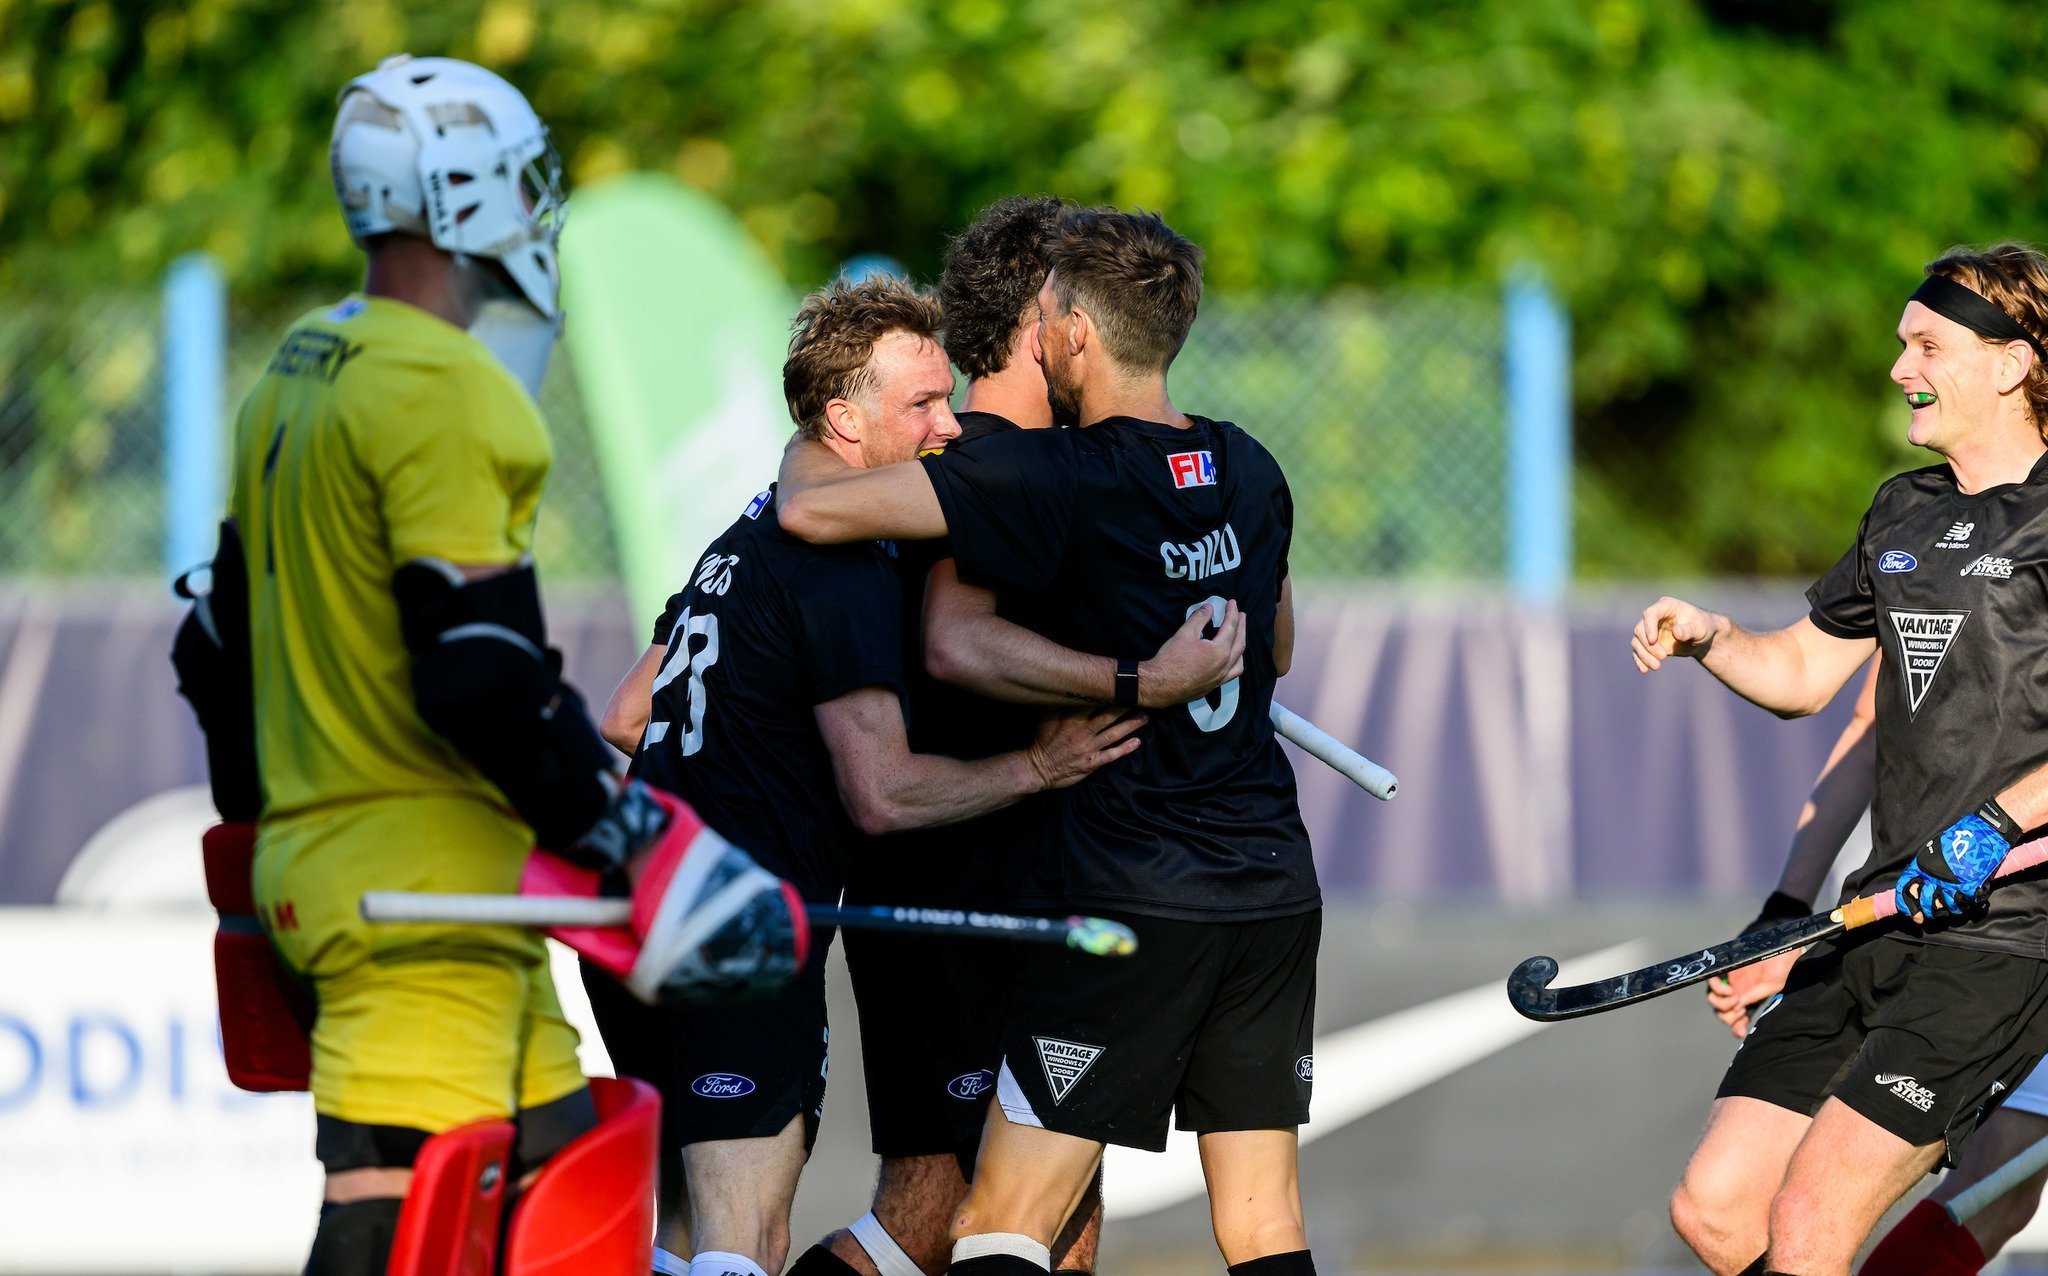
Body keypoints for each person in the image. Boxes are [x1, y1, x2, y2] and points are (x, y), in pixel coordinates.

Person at [176, 55, 747, 1275]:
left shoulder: (291, 375)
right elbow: (482, 673)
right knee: (390, 1210)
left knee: (560, 1194)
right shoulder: (453, 392)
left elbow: (213, 644)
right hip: (424, 891)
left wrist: (268, 840)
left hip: (355, 871)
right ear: (461, 192)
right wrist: (638, 842)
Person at [776, 207, 1321, 1276]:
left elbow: (809, 512)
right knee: (1258, 1225)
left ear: (1068, 329)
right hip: (1260, 878)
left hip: (1131, 890)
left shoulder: (1053, 474)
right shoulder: (1248, 464)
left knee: (1000, 1226)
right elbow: (1277, 645)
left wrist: (814, 435)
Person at [594, 275, 1148, 1276]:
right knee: (744, 1236)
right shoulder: (841, 568)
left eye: (947, 397)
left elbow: (626, 716)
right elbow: (882, 795)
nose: (947, 427)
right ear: (843, 420)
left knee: (671, 1240)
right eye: (921, 406)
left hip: (631, 899)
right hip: (733, 919)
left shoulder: (742, 538)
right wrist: (1034, 762)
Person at [1639, 243, 2048, 1276]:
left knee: (1814, 1223)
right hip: (1877, 915)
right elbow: (1803, 675)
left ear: (2008, 364)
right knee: (1717, 1211)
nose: (1897, 367)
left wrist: (1997, 821)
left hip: (2001, 938)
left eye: (1924, 344)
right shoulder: (1900, 508)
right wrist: (1712, 637)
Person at [1707, 653, 2048, 1275]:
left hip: (2020, 944)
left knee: (2000, 1183)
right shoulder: (1920, 560)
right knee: (1728, 1216)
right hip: (1954, 935)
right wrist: (1785, 914)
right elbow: (1865, 716)